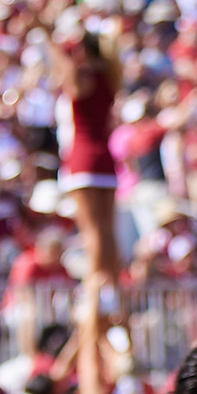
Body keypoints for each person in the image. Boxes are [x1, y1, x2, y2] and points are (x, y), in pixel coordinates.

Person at [51, 29, 123, 296]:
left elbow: (63, 67)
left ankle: (95, 285)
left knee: (92, 231)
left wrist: (44, 36)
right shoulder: (110, 77)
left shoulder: (83, 77)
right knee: (107, 230)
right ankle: (112, 286)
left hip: (82, 160)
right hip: (105, 158)